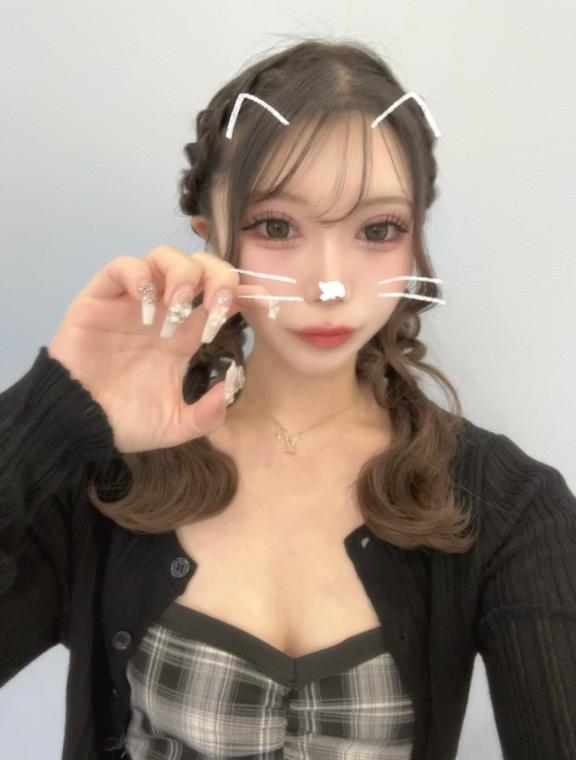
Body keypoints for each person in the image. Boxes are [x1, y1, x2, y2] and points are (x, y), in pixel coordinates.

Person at [1, 37, 575, 760]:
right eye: (276, 226)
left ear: (415, 240)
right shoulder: (108, 476)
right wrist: (52, 411)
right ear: (209, 236)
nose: (328, 283)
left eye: (378, 229)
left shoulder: (510, 506)